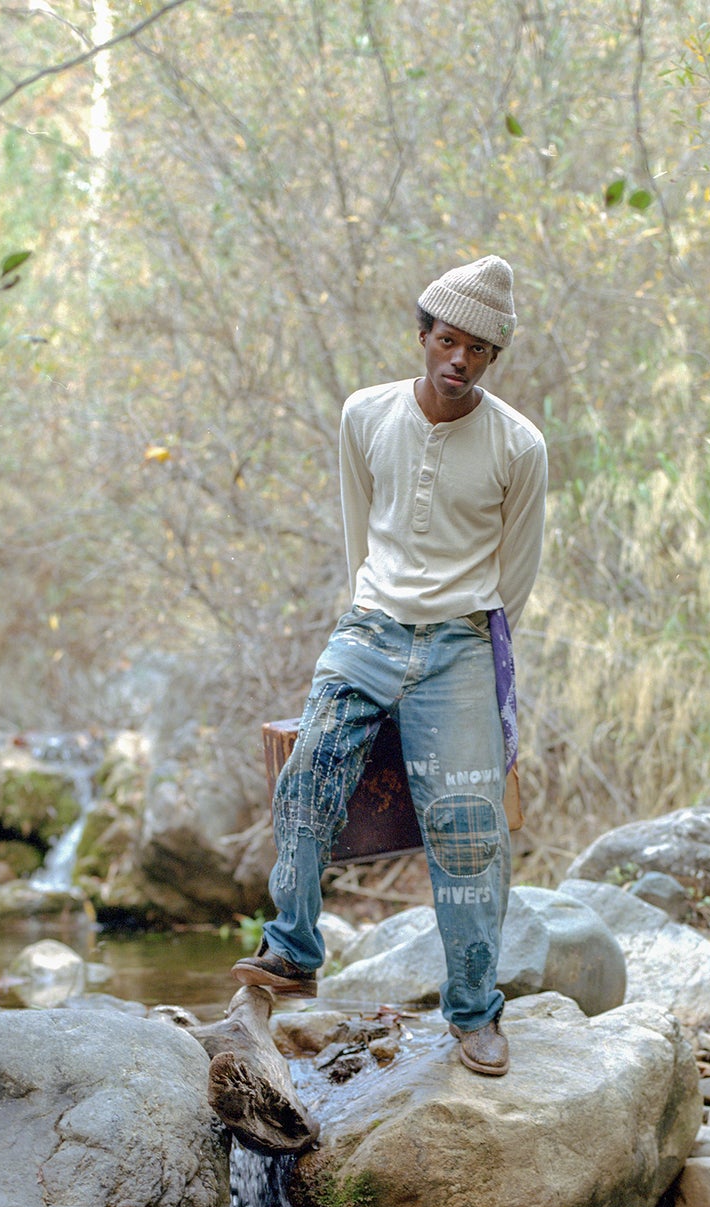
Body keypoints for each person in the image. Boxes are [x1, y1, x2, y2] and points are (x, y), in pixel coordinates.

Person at [232, 254, 548, 1077]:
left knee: (469, 829)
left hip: (458, 646)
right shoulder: (364, 414)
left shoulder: (519, 444)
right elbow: (355, 526)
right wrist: (377, 608)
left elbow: (516, 574)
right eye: (447, 341)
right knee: (306, 780)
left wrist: (458, 627)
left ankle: (474, 1012)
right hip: (369, 629)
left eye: (477, 351)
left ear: (490, 360)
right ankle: (293, 951)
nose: (458, 360)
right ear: (422, 336)